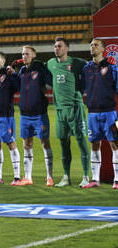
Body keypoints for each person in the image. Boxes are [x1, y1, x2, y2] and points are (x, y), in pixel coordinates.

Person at [47, 37, 90, 187]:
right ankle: (66, 177)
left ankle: (86, 176)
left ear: (67, 48)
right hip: (59, 110)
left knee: (81, 141)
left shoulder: (77, 63)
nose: (56, 48)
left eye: (59, 46)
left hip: (75, 108)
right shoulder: (51, 64)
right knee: (63, 143)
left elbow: (90, 69)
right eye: (55, 46)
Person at [81, 38, 118, 189]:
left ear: (102, 49)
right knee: (95, 145)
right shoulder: (86, 68)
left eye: (96, 45)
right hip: (92, 113)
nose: (92, 47)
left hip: (109, 113)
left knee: (114, 145)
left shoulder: (111, 67)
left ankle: (117, 180)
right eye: (91, 45)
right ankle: (95, 179)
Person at [16, 46, 54, 186]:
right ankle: (27, 177)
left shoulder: (40, 68)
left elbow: (49, 82)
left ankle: (49, 177)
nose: (24, 56)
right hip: (25, 115)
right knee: (27, 145)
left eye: (27, 53)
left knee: (45, 143)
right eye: (22, 54)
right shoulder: (22, 71)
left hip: (39, 114)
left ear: (34, 54)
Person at [0, 51, 21, 185]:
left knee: (11, 144)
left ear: (3, 61)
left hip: (5, 116)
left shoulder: (9, 75)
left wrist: (14, 75)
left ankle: (17, 177)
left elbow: (18, 87)